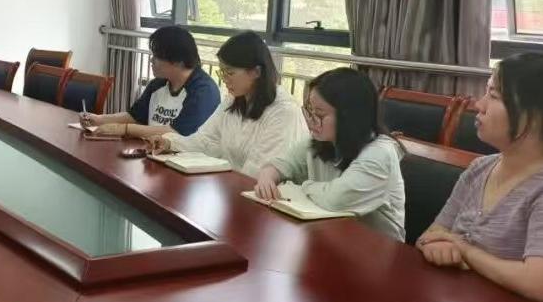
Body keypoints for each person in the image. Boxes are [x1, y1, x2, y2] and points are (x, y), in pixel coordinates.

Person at [416, 53, 543, 301]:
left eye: (493, 96)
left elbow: (536, 283)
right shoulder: (479, 168)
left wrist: (465, 251)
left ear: (534, 115)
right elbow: (432, 234)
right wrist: (436, 246)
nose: (478, 105)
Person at [253, 68, 406, 241]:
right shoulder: (321, 140)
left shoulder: (380, 153)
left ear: (349, 116)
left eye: (319, 114)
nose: (311, 121)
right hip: (330, 237)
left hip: (377, 249)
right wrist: (267, 177)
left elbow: (337, 200)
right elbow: (281, 164)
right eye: (309, 110)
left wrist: (304, 186)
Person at [146, 31, 308, 177]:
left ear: (256, 72)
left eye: (229, 72)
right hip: (234, 186)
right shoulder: (234, 99)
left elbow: (258, 172)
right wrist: (169, 142)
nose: (224, 78)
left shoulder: (284, 112)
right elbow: (205, 139)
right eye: (222, 72)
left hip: (265, 194)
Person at [81, 25, 220, 138]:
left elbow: (177, 133)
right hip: (151, 152)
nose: (151, 60)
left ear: (178, 61)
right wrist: (98, 120)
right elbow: (135, 116)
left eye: (157, 56)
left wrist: (124, 129)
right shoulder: (158, 84)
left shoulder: (204, 91)